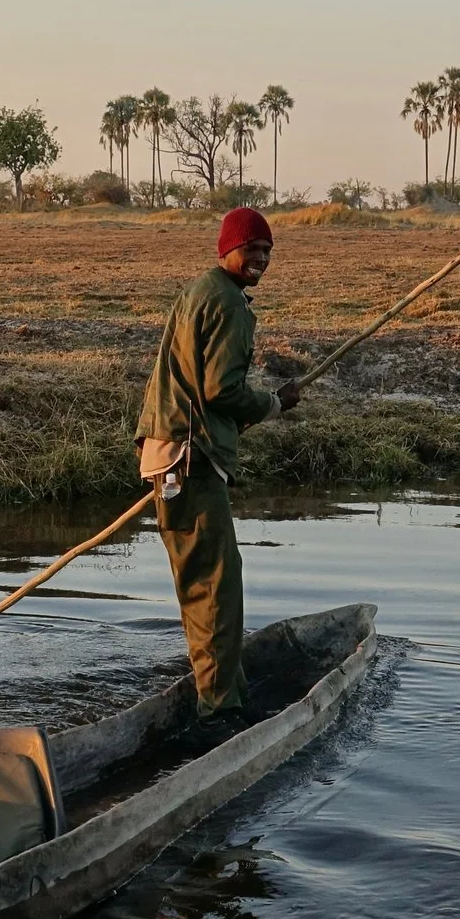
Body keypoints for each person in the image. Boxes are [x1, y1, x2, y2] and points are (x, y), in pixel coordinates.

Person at [137, 206, 301, 727]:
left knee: (199, 582)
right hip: (190, 458)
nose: (261, 260)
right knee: (216, 585)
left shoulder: (198, 291)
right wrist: (275, 404)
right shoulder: (229, 303)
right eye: (252, 249)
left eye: (268, 251)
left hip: (166, 454)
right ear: (227, 249)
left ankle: (220, 682)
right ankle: (220, 707)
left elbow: (196, 384)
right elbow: (220, 389)